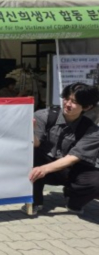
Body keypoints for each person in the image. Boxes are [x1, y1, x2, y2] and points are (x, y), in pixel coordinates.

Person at [28, 82, 99, 215]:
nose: (67, 104)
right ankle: (34, 201)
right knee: (31, 156)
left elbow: (73, 158)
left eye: (74, 102)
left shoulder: (92, 130)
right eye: (66, 98)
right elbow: (36, 144)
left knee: (96, 181)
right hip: (42, 163)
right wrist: (30, 133)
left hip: (70, 169)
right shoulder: (43, 115)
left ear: (87, 106)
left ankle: (73, 201)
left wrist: (44, 169)